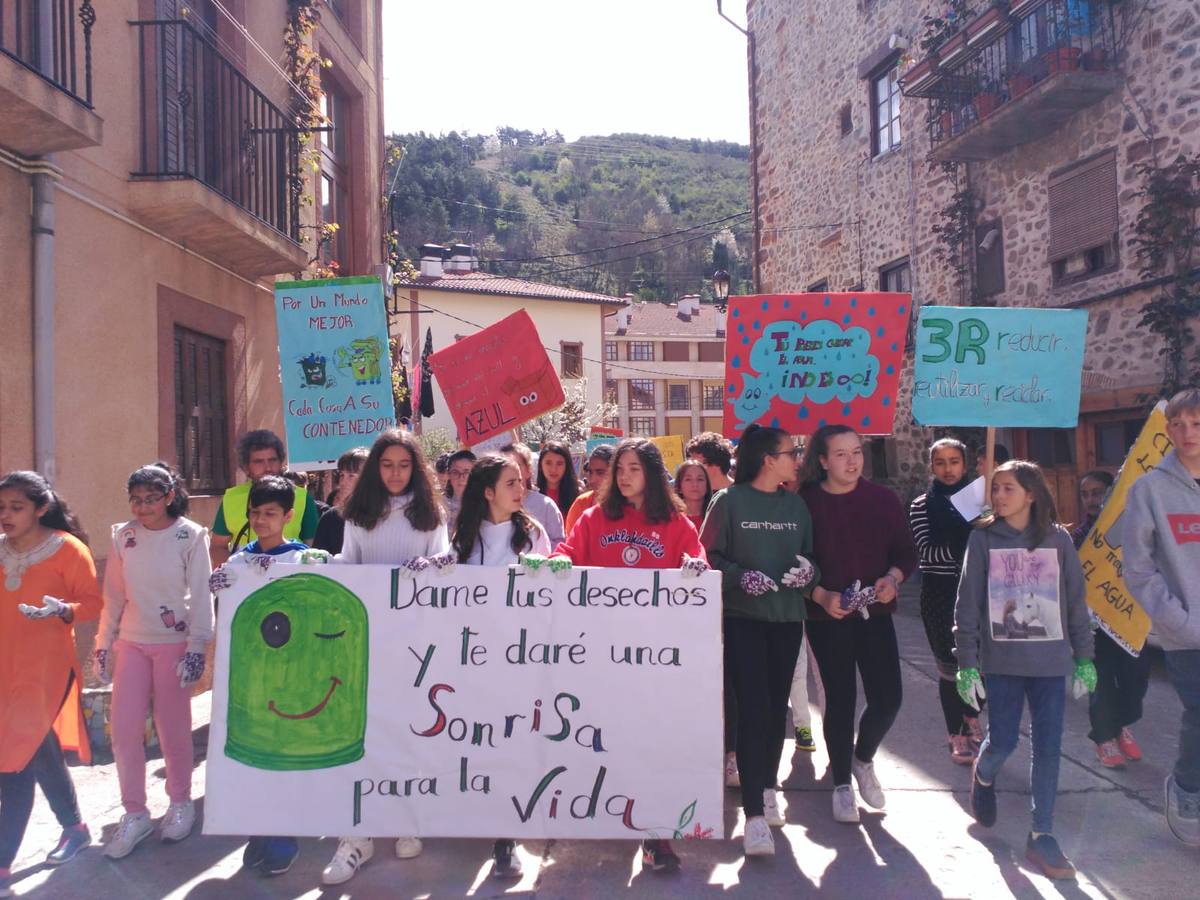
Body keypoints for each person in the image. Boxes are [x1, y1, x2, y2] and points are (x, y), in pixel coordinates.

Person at [554, 438, 708, 872]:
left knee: (653, 745)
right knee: (606, 743)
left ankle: (656, 835)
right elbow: (566, 553)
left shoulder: (677, 523)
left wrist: (696, 568)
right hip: (599, 656)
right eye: (620, 468)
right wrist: (550, 563)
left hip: (658, 659)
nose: (623, 476)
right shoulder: (593, 517)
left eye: (634, 468)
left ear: (654, 475)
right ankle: (605, 813)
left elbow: (696, 563)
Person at [955, 460, 1095, 880]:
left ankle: (1042, 833)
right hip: (1002, 664)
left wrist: (1085, 657)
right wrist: (967, 662)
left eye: (1008, 488)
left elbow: (1074, 602)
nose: (998, 496)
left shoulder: (1058, 540)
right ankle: (984, 772)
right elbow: (968, 604)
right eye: (995, 488)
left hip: (1051, 664)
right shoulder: (982, 539)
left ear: (1031, 494)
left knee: (1049, 746)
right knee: (1003, 742)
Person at [324, 428, 450, 886]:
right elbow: (347, 565)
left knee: (409, 731)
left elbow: (445, 564)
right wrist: (301, 563)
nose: (395, 473)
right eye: (387, 465)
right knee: (363, 733)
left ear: (415, 469)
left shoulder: (431, 515)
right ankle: (356, 835)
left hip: (415, 645)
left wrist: (435, 568)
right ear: (375, 469)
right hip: (366, 642)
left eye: (403, 465)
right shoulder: (356, 515)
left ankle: (407, 816)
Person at [701, 426, 818, 857]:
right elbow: (705, 558)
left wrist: (809, 575)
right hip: (742, 620)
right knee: (752, 709)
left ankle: (767, 787)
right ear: (768, 459)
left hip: (787, 619)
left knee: (774, 713)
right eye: (791, 452)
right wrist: (737, 577)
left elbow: (812, 560)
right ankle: (753, 815)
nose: (797, 459)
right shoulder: (728, 502)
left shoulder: (797, 505)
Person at [211, 475, 328, 878]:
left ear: (289, 516)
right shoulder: (239, 561)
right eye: (255, 513)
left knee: (284, 758)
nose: (261, 520)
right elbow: (228, 610)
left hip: (291, 677)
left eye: (271, 514)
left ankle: (284, 838)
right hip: (251, 677)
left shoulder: (304, 560)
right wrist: (221, 586)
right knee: (253, 756)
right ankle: (259, 831)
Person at [798, 425, 917, 824]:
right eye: (842, 454)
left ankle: (862, 757)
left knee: (888, 698)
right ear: (822, 460)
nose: (852, 462)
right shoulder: (805, 503)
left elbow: (905, 553)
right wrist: (820, 595)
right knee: (840, 699)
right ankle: (842, 784)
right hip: (826, 617)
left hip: (875, 615)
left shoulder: (881, 499)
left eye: (857, 452)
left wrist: (893, 579)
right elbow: (795, 562)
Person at [94, 464, 212, 859]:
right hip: (131, 644)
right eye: (136, 500)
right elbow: (113, 595)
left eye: (151, 499)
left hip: (173, 645)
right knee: (124, 731)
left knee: (173, 727)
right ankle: (135, 812)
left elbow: (200, 594)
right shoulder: (123, 536)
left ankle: (180, 803)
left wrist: (197, 648)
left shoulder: (190, 537)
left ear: (168, 497)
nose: (142, 508)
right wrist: (102, 642)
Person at [450, 454, 552, 879]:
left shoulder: (532, 534)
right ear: (487, 491)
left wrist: (551, 573)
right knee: (482, 745)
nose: (520, 488)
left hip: (521, 660)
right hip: (474, 662)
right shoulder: (461, 539)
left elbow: (551, 594)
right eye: (511, 482)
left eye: (521, 481)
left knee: (513, 745)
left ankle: (506, 839)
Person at [0, 472, 101, 895]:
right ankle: (74, 828)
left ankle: (2, 865)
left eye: (16, 508)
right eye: (1, 508)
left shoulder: (67, 549)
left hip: (46, 672)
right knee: (39, 754)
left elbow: (93, 602)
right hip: (5, 670)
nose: (5, 516)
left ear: (40, 508)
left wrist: (63, 610)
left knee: (13, 764)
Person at [1123, 388, 1200, 847]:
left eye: (1197, 423)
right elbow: (1139, 570)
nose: (1188, 432)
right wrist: (1182, 623)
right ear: (1168, 430)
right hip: (1185, 631)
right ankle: (1188, 788)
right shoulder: (1149, 490)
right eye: (1180, 424)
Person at [909, 437, 982, 765]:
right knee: (950, 670)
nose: (948, 468)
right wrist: (968, 541)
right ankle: (956, 733)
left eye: (954, 461)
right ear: (932, 467)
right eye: (941, 462)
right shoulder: (921, 505)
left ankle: (972, 717)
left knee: (981, 666)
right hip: (940, 594)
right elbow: (927, 549)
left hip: (979, 594)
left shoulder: (982, 502)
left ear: (965, 465)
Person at [1072, 470, 1150, 769]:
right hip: (1093, 628)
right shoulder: (1079, 538)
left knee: (1136, 681)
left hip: (1129, 621)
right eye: (1086, 494)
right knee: (1101, 683)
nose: (1092, 499)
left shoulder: (1133, 530)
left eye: (1099, 492)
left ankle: (1122, 723)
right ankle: (1104, 738)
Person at [209, 429, 318, 564]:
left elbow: (314, 546)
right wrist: (237, 574)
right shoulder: (230, 499)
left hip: (290, 578)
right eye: (258, 461)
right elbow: (217, 547)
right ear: (246, 467)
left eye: (273, 460)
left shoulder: (302, 497)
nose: (268, 468)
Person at [500, 443, 564, 546]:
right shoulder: (494, 505)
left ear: (528, 470)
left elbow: (559, 545)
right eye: (505, 466)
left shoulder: (546, 506)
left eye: (516, 465)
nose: (510, 471)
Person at [312, 447, 369, 554]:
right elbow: (319, 563)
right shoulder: (330, 518)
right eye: (342, 475)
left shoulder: (384, 516)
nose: (342, 482)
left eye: (351, 476)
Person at [563, 444, 614, 535]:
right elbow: (571, 543)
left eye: (600, 473)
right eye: (590, 472)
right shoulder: (581, 503)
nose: (592, 479)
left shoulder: (629, 505)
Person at [536, 440, 580, 519]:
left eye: (559, 464)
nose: (553, 469)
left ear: (567, 466)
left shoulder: (577, 496)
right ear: (540, 465)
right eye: (548, 463)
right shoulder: (532, 495)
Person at [442, 449, 477, 535]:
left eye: (467, 472)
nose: (461, 477)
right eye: (455, 472)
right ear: (448, 475)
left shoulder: (484, 507)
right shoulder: (439, 505)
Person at [674, 460, 712, 530]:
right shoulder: (672, 519)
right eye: (688, 479)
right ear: (679, 487)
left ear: (707, 486)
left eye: (700, 479)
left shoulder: (717, 517)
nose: (695, 484)